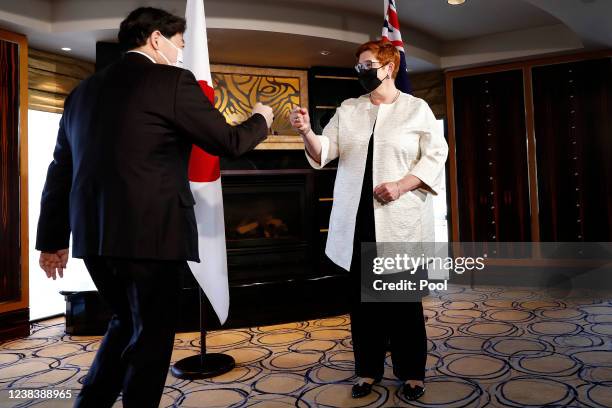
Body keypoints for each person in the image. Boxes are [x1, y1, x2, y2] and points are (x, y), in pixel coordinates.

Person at [35, 7, 273, 408]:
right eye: (179, 45)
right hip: (154, 237)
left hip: (95, 239)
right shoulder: (172, 82)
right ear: (157, 39)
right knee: (152, 337)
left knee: (125, 322)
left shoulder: (81, 93)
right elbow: (228, 143)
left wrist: (52, 240)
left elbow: (60, 170)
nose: (182, 54)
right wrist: (261, 119)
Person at [290, 40, 448, 401]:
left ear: (389, 67)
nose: (360, 71)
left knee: (402, 303)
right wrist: (305, 132)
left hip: (399, 219)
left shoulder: (416, 109)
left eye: (367, 64)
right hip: (357, 220)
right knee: (363, 305)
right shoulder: (349, 109)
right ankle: (367, 370)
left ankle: (412, 373)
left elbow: (437, 154)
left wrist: (402, 184)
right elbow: (324, 152)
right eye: (358, 65)